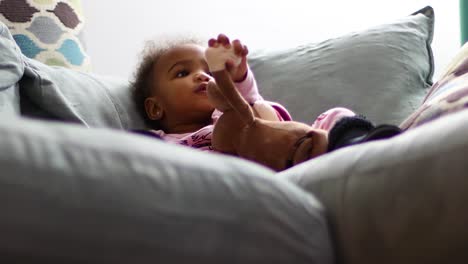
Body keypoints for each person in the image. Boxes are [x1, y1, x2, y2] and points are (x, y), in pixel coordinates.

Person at [131, 33, 400, 154]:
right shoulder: (163, 141)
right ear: (155, 108)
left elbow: (248, 101)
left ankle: (362, 144)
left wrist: (235, 76)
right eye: (182, 73)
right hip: (246, 174)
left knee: (336, 115)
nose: (202, 76)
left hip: (297, 145)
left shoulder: (225, 111)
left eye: (209, 72)